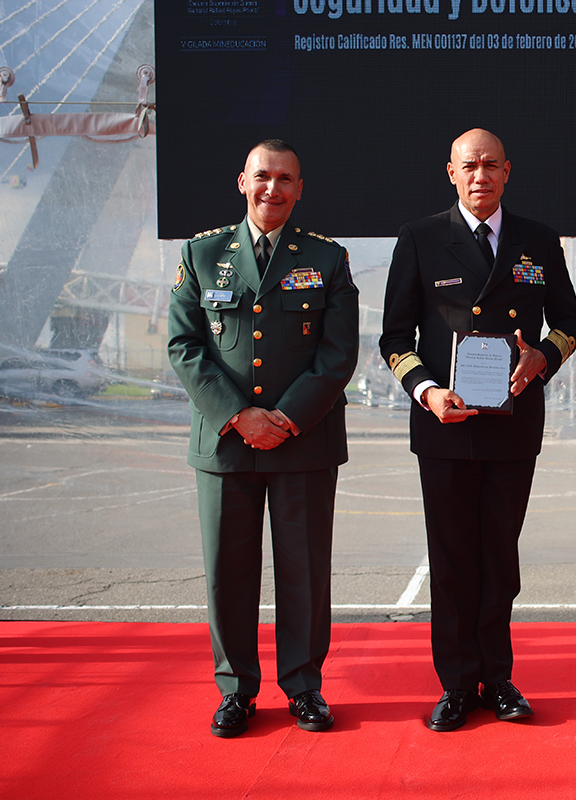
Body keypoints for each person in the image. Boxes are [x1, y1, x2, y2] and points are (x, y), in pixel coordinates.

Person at [379, 128, 576, 732]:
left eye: (491, 165)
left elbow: (569, 321)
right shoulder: (420, 239)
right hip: (444, 427)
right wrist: (426, 391)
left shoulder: (538, 240)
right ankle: (455, 685)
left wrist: (542, 357)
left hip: (512, 425)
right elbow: (395, 337)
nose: (481, 175)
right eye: (470, 165)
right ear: (451, 172)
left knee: (499, 558)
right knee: (451, 563)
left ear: (507, 171)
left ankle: (498, 680)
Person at [167, 139, 360, 738]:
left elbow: (338, 352)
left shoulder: (327, 258)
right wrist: (238, 416)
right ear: (242, 181)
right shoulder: (202, 254)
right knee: (228, 571)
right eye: (262, 177)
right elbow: (184, 345)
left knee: (304, 570)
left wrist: (285, 418)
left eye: (285, 179)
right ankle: (236, 690)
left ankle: (304, 687)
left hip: (304, 441)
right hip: (225, 443)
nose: (272, 189)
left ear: (300, 189)